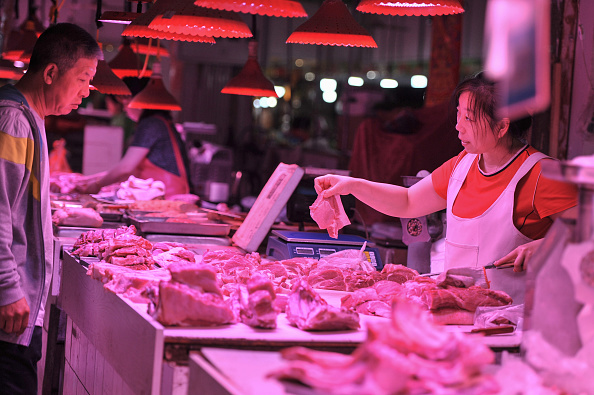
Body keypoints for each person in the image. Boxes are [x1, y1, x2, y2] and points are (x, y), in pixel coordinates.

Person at [314, 72, 578, 304]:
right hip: (456, 313)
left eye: (469, 118)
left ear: (501, 127)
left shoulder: (542, 174)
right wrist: (351, 185)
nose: (458, 126)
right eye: (458, 115)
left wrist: (545, 245)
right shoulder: (461, 166)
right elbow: (407, 201)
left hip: (514, 324)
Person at [0, 23, 102, 394]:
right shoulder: (12, 118)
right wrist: (7, 289)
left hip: (19, 316)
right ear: (51, 72)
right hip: (7, 316)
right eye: (84, 78)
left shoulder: (33, 117)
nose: (87, 91)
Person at [77, 79, 190, 198]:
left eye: (126, 103)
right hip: (160, 197)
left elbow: (126, 168)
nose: (125, 109)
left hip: (168, 198)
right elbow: (130, 171)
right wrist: (88, 180)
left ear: (140, 101)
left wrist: (96, 185)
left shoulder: (151, 124)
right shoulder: (158, 121)